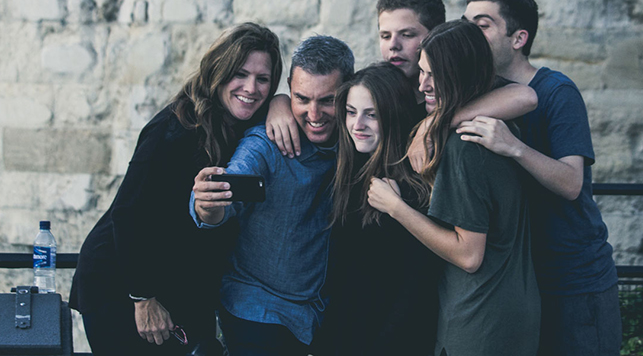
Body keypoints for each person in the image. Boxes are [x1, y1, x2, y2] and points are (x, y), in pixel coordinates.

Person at [69, 23, 283, 355]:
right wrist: (143, 298)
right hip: (123, 286)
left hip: (179, 286)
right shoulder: (176, 127)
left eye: (263, 79)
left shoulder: (242, 125)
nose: (251, 88)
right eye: (240, 74)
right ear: (218, 73)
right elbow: (128, 212)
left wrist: (281, 102)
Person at [456, 0, 621, 356]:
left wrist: (514, 147)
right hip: (516, 284)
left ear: (519, 37)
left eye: (482, 25)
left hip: (573, 280)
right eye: (465, 24)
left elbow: (571, 183)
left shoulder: (557, 91)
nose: (469, 34)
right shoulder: (478, 94)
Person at [368, 20, 541, 356]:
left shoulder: (465, 147)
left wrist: (395, 207)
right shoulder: (494, 124)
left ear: (461, 74)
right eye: (421, 72)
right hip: (505, 311)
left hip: (480, 320)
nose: (423, 84)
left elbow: (469, 254)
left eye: (434, 74)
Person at [190, 35, 354, 356]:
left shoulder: (357, 134)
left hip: (323, 317)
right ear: (290, 88)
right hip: (258, 310)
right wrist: (208, 206)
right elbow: (227, 195)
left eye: (327, 100)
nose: (314, 113)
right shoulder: (265, 143)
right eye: (302, 98)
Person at [266, 0, 538, 159]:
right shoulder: (375, 84)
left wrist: (436, 122)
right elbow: (323, 95)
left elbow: (524, 96)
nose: (393, 46)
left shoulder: (451, 90)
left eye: (407, 35)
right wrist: (279, 103)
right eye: (385, 35)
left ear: (434, 37)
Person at [314, 63, 439, 356]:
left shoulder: (411, 188)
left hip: (391, 342)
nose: (358, 125)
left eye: (371, 114)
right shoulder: (349, 170)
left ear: (393, 116)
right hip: (342, 335)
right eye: (351, 112)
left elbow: (415, 290)